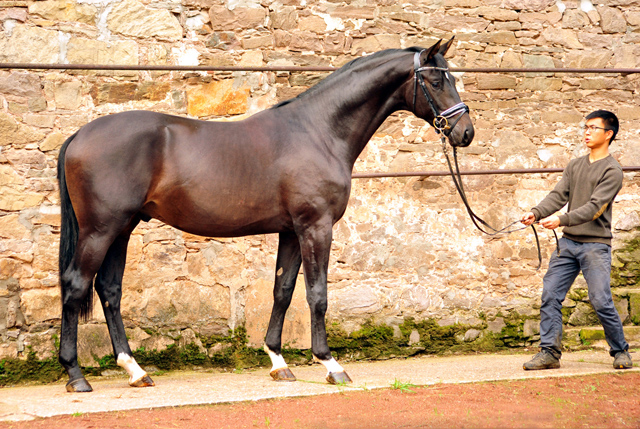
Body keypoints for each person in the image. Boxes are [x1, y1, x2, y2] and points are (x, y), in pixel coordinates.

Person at [520, 110, 633, 370]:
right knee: (550, 295)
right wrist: (536, 212)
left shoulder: (613, 170)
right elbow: (558, 195)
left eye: (593, 128)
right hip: (567, 244)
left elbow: (595, 208)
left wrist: (561, 220)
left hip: (595, 246)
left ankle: (620, 351)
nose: (586, 132)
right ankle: (549, 353)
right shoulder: (575, 165)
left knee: (600, 299)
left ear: (609, 134)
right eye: (585, 127)